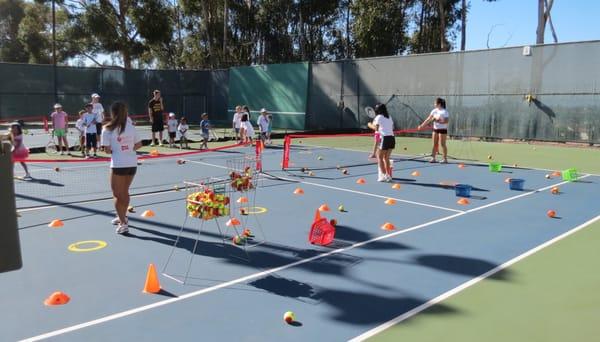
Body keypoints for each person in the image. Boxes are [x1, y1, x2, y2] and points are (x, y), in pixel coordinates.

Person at [101, 101, 142, 235]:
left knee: (117, 195)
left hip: (118, 165)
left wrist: (117, 150)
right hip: (132, 164)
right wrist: (128, 149)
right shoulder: (131, 127)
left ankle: (123, 223)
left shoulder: (107, 129)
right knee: (124, 192)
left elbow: (106, 150)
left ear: (113, 113)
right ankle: (122, 217)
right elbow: (139, 144)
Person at [368, 103, 395, 182]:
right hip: (392, 138)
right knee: (386, 158)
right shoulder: (389, 116)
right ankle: (388, 175)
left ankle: (383, 176)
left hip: (385, 138)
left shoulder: (379, 117)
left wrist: (369, 124)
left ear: (378, 110)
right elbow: (392, 127)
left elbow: (376, 129)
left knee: (379, 157)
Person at [418, 97, 449, 163]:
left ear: (439, 104)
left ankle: (445, 159)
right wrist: (421, 126)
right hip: (435, 129)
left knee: (442, 144)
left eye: (435, 103)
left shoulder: (444, 111)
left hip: (442, 130)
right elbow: (428, 119)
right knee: (434, 144)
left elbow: (446, 121)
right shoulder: (434, 111)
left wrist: (438, 120)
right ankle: (433, 158)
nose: (434, 104)